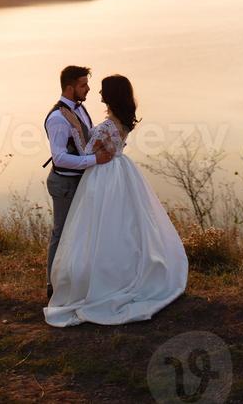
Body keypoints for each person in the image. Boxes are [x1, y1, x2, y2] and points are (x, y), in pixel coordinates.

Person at [44, 74, 188, 327]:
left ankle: (98, 280)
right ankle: (125, 270)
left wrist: (76, 130)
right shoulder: (123, 121)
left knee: (98, 227)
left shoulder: (106, 126)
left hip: (103, 177)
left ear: (110, 95)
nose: (98, 94)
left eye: (102, 91)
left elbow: (87, 151)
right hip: (121, 171)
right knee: (125, 226)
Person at [44, 64, 112, 300]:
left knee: (80, 233)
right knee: (61, 234)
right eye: (83, 85)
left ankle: (76, 282)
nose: (89, 89)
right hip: (63, 184)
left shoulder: (80, 110)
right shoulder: (56, 118)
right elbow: (60, 159)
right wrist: (95, 159)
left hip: (79, 182)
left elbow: (87, 135)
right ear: (70, 88)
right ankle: (52, 286)